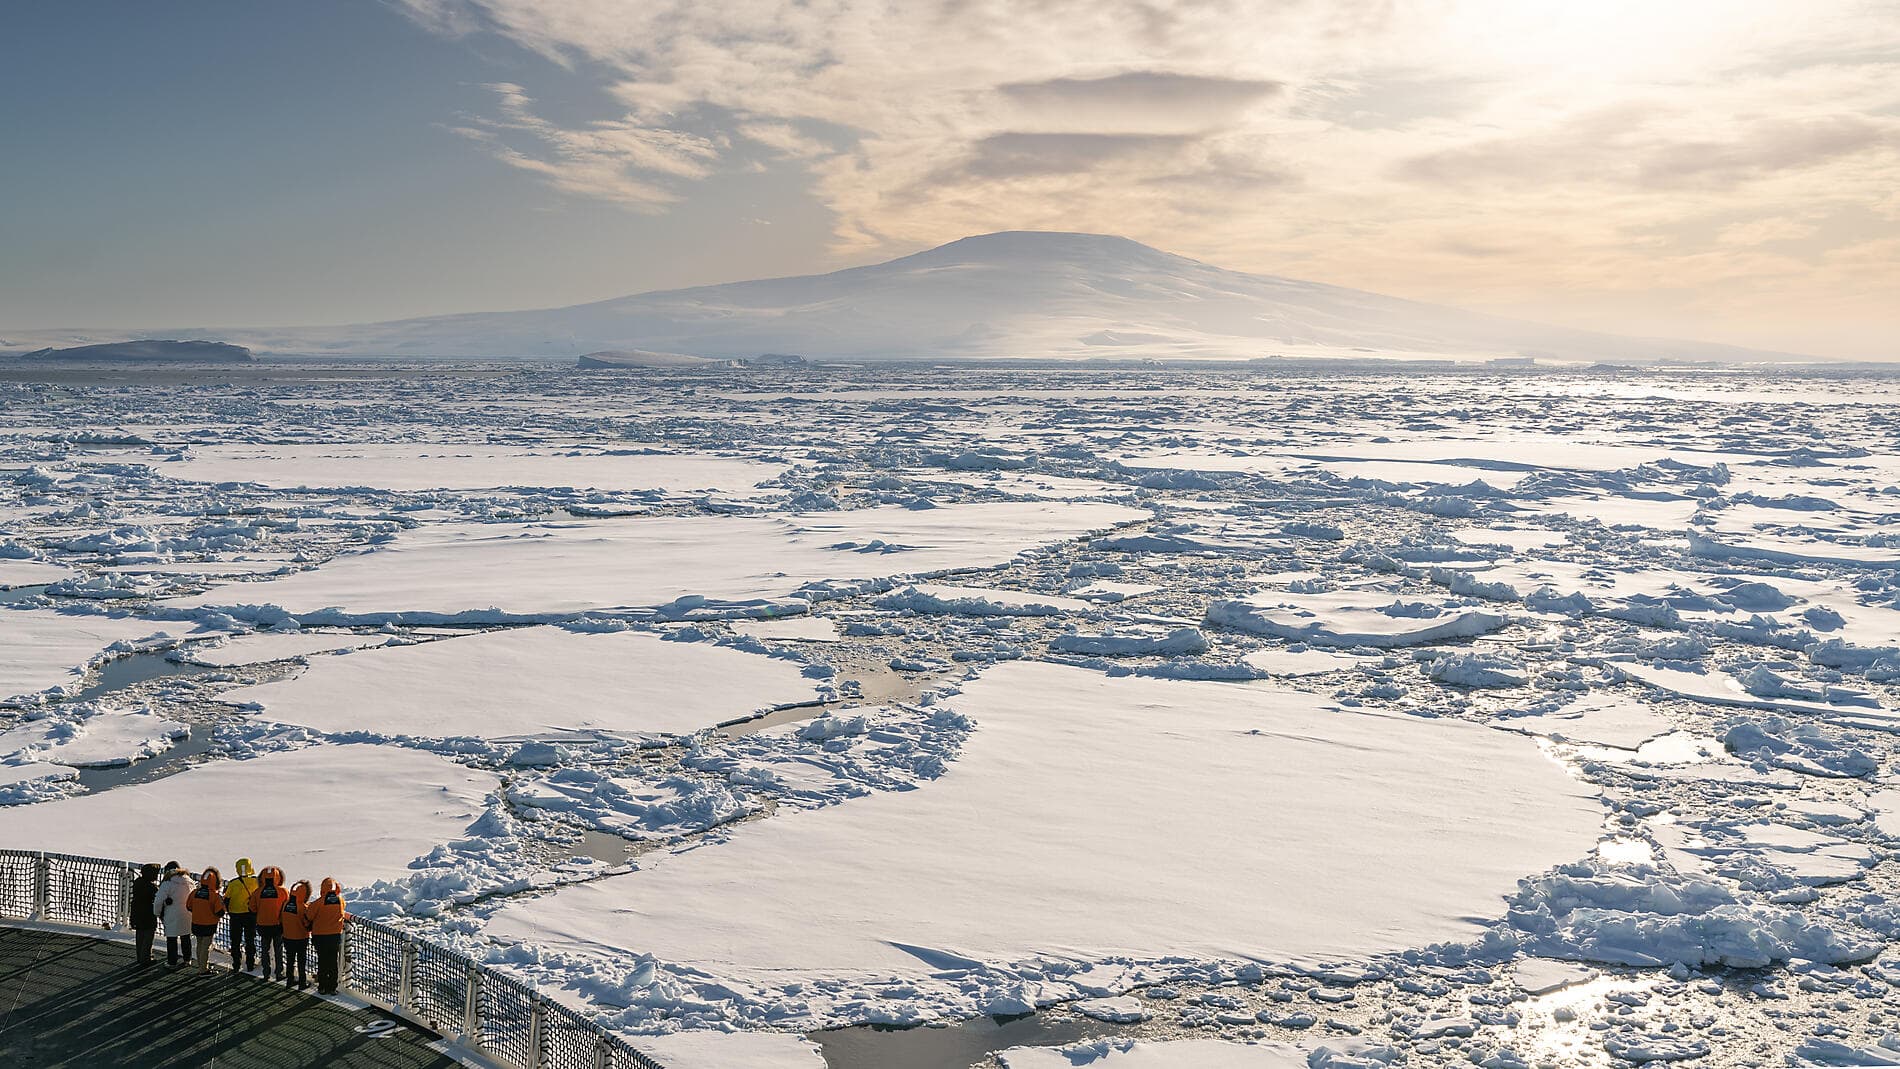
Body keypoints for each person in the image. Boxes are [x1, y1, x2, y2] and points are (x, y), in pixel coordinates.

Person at [308, 877, 346, 995]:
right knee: (333, 962)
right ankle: (332, 987)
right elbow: (343, 909)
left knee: (322, 961)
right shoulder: (340, 901)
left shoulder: (318, 903)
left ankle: (322, 986)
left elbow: (309, 915)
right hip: (334, 936)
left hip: (320, 937)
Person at [224, 857, 261, 976]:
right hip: (250, 915)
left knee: (235, 940)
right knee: (250, 939)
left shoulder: (233, 883)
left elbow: (226, 898)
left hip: (235, 915)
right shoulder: (256, 882)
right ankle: (250, 963)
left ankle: (236, 963)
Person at [156, 861, 194, 968]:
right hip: (187, 914)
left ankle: (172, 962)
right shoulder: (189, 881)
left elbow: (158, 901)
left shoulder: (167, 883)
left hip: (171, 914)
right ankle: (187, 959)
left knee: (171, 939)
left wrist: (157, 913)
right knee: (186, 937)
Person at [187, 866, 225, 973]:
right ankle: (203, 969)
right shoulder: (214, 896)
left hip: (196, 923)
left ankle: (201, 965)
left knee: (199, 944)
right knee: (205, 947)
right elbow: (220, 912)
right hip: (209, 925)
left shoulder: (195, 893)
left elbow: (188, 906)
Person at [253, 865, 287, 981]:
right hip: (278, 925)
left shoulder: (257, 892)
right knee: (278, 950)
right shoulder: (283, 891)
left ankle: (266, 973)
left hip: (263, 925)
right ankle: (279, 973)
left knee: (265, 950)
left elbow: (252, 908)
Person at [279, 879, 313, 989]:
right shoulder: (303, 908)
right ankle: (302, 982)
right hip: (301, 938)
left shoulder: (285, 904)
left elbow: (281, 919)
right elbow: (307, 923)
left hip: (287, 937)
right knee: (301, 961)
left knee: (290, 960)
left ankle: (290, 980)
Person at [131, 863, 161, 966]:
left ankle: (140, 956)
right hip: (148, 914)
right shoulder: (152, 887)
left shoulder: (137, 882)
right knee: (148, 936)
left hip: (137, 912)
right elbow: (158, 898)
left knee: (140, 935)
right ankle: (146, 958)